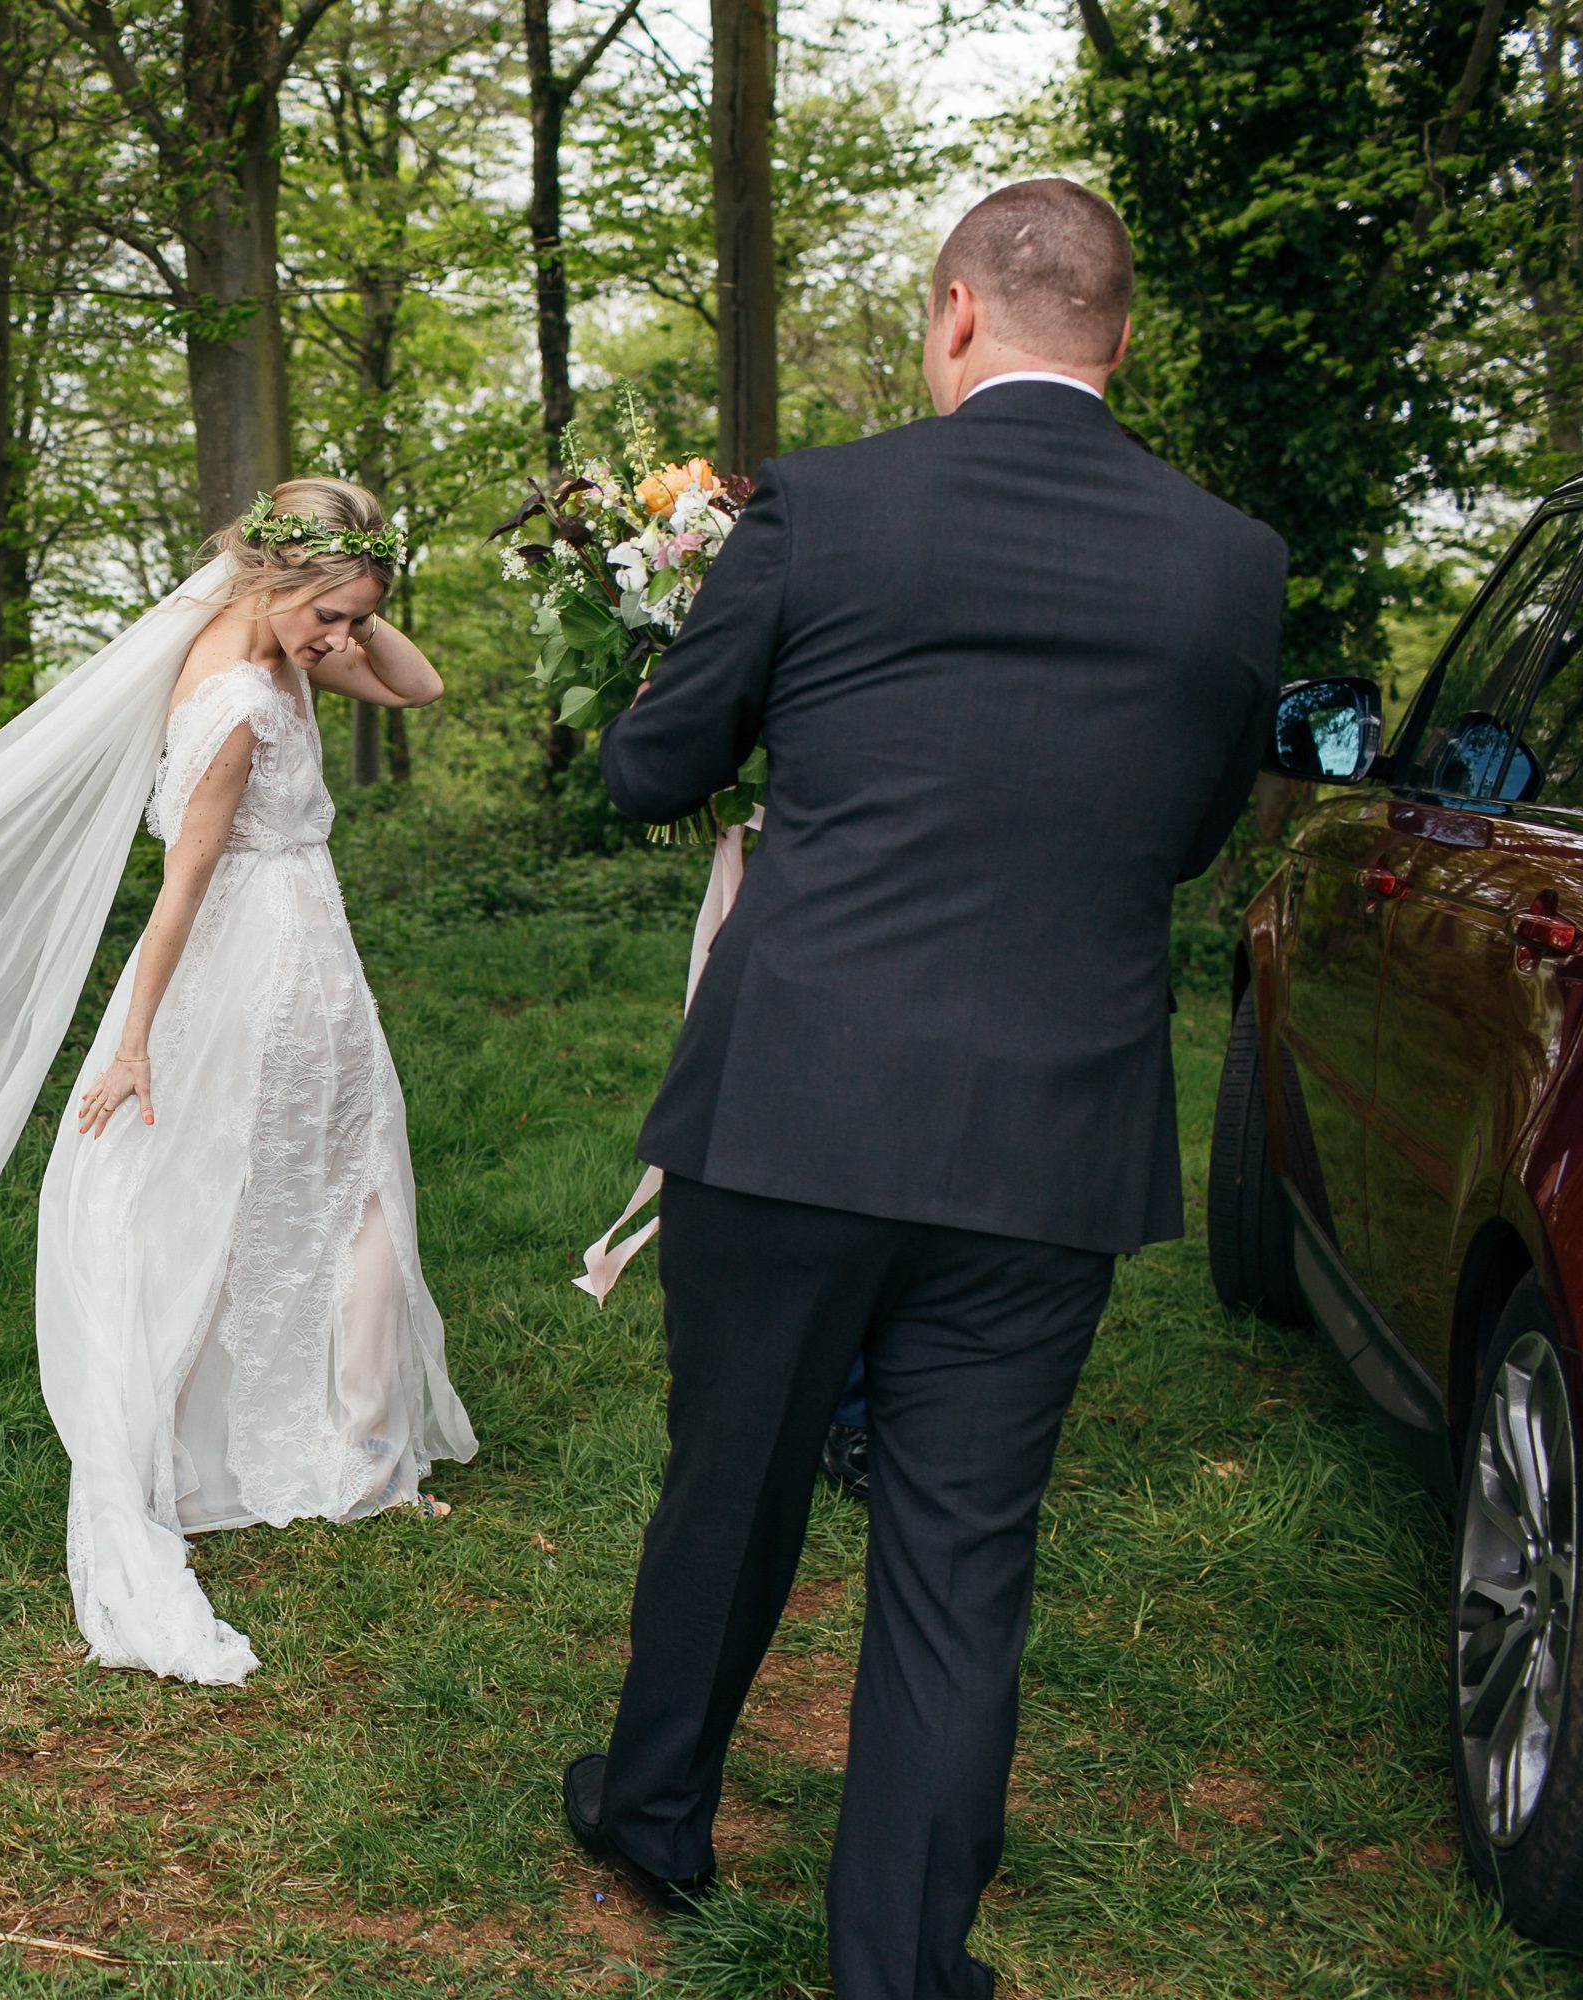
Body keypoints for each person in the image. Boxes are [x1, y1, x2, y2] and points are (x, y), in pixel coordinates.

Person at [560, 179, 1285, 1999]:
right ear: (1117, 339)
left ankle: (654, 1816)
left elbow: (653, 768)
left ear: (959, 313)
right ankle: (899, 1963)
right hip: (1050, 1136)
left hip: (797, 1101)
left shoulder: (833, 500)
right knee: (964, 1558)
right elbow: (1195, 842)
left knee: (731, 1478)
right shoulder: (1229, 561)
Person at [38, 477, 472, 1685]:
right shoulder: (237, 697)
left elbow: (420, 684)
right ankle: (354, 1455)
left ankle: (337, 1442)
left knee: (303, 1193)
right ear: (277, 579)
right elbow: (177, 885)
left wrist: (354, 606)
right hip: (269, 964)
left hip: (297, 947)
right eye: (327, 616)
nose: (339, 646)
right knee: (346, 1193)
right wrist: (133, 1043)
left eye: (351, 620)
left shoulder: (272, 639)